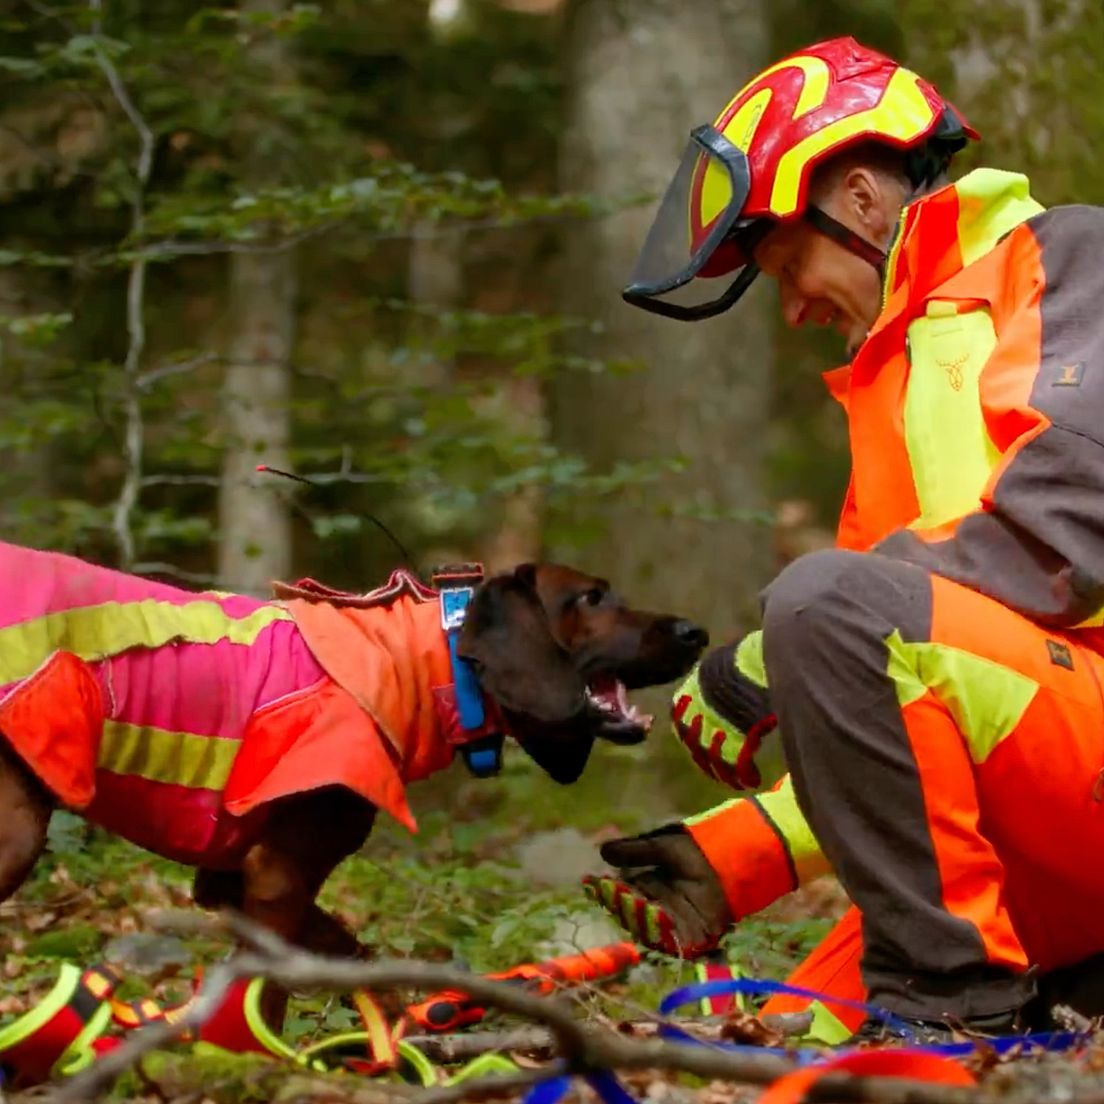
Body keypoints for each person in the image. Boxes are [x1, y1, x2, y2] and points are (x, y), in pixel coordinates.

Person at [583, 35, 1104, 1044]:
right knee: (805, 1037)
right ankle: (986, 1005)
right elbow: (916, 715)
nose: (791, 309)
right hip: (1046, 817)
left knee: (825, 601)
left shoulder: (1070, 257)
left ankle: (957, 1024)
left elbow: (1071, 521)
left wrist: (778, 647)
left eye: (787, 263)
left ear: (862, 200)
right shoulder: (889, 386)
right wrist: (744, 849)